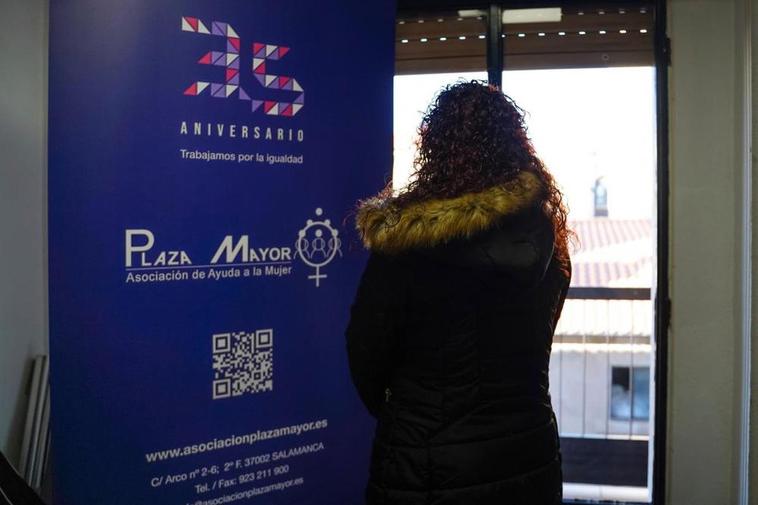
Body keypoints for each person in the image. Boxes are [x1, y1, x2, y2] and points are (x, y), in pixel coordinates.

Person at [345, 80, 574, 505]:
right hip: (529, 451)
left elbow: (366, 351)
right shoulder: (544, 232)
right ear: (514, 144)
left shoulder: (406, 242)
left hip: (427, 461)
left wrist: (410, 414)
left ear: (435, 148)